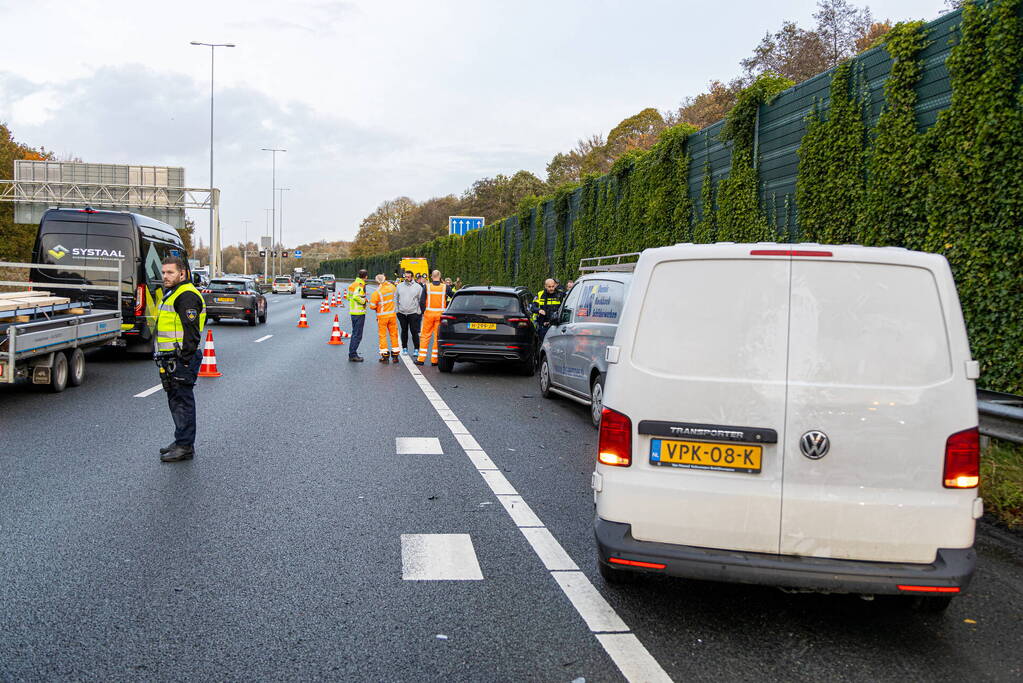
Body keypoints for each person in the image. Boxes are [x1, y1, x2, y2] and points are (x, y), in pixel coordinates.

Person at [155, 256, 206, 463]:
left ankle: (185, 446)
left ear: (182, 273)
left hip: (181, 359)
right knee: (176, 401)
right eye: (164, 272)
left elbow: (191, 333)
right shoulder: (174, 292)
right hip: (171, 358)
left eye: (170, 272)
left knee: (183, 402)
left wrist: (184, 360)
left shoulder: (186, 296)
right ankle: (180, 440)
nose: (165, 276)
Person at [416, 269, 453, 367]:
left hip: (428, 314)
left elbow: (422, 301)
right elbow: (453, 297)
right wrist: (447, 306)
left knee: (425, 336)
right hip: (440, 315)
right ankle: (434, 360)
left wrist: (424, 312)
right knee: (437, 337)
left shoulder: (427, 287)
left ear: (432, 277)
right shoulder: (446, 287)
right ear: (440, 277)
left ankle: (421, 359)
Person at [369, 274, 401, 363]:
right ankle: (395, 355)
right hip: (392, 315)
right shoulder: (392, 287)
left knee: (383, 335)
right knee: (394, 335)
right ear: (385, 278)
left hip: (382, 316)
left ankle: (385, 355)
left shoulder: (377, 292)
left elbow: (372, 306)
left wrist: (372, 303)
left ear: (377, 281)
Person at [395, 270, 423, 356]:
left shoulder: (418, 287)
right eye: (405, 277)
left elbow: (421, 300)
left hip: (413, 312)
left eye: (408, 277)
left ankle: (416, 349)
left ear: (412, 277)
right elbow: (396, 298)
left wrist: (419, 311)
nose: (406, 278)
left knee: (414, 331)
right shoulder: (399, 286)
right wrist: (397, 310)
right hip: (402, 313)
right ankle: (404, 348)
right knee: (404, 331)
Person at [530, 278, 565, 343]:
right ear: (545, 286)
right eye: (549, 287)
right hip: (544, 326)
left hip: (557, 326)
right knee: (544, 345)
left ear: (555, 285)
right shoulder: (540, 294)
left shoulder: (560, 294)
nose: (551, 288)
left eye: (553, 286)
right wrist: (539, 310)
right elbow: (533, 307)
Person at [346, 269, 368, 362]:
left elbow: (348, 297)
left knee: (355, 333)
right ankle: (353, 355)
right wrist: (364, 301)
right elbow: (355, 296)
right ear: (366, 276)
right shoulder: (360, 285)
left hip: (353, 312)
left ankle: (352, 353)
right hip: (359, 312)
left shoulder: (353, 284)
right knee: (357, 335)